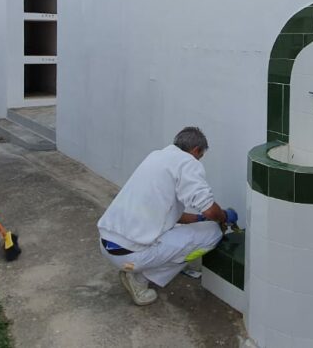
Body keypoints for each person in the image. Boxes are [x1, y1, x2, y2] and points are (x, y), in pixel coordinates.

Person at [97, 126, 235, 306]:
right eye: (200, 156)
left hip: (107, 245)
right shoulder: (188, 162)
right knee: (212, 233)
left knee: (184, 228)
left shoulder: (156, 157)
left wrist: (198, 219)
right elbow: (209, 209)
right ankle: (138, 280)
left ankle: (138, 269)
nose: (199, 160)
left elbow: (168, 214)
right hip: (130, 258)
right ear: (196, 150)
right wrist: (223, 216)